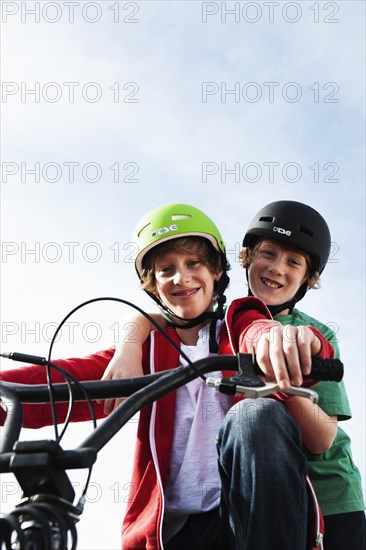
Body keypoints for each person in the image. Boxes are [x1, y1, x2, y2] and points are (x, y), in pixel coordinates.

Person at [0, 203, 337, 550]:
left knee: (257, 414)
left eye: (194, 263)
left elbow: (262, 331)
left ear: (218, 271)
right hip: (170, 533)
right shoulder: (144, 353)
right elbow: (54, 382)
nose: (182, 277)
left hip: (243, 524)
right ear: (152, 285)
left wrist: (287, 342)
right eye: (166, 269)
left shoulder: (238, 325)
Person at [104, 201, 365, 550]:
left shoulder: (314, 333)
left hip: (329, 495)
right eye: (268, 254)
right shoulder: (224, 324)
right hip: (250, 494)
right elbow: (171, 319)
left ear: (310, 279)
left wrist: (280, 380)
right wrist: (130, 337)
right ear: (244, 258)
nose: (276, 269)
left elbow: (321, 440)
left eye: (293, 262)